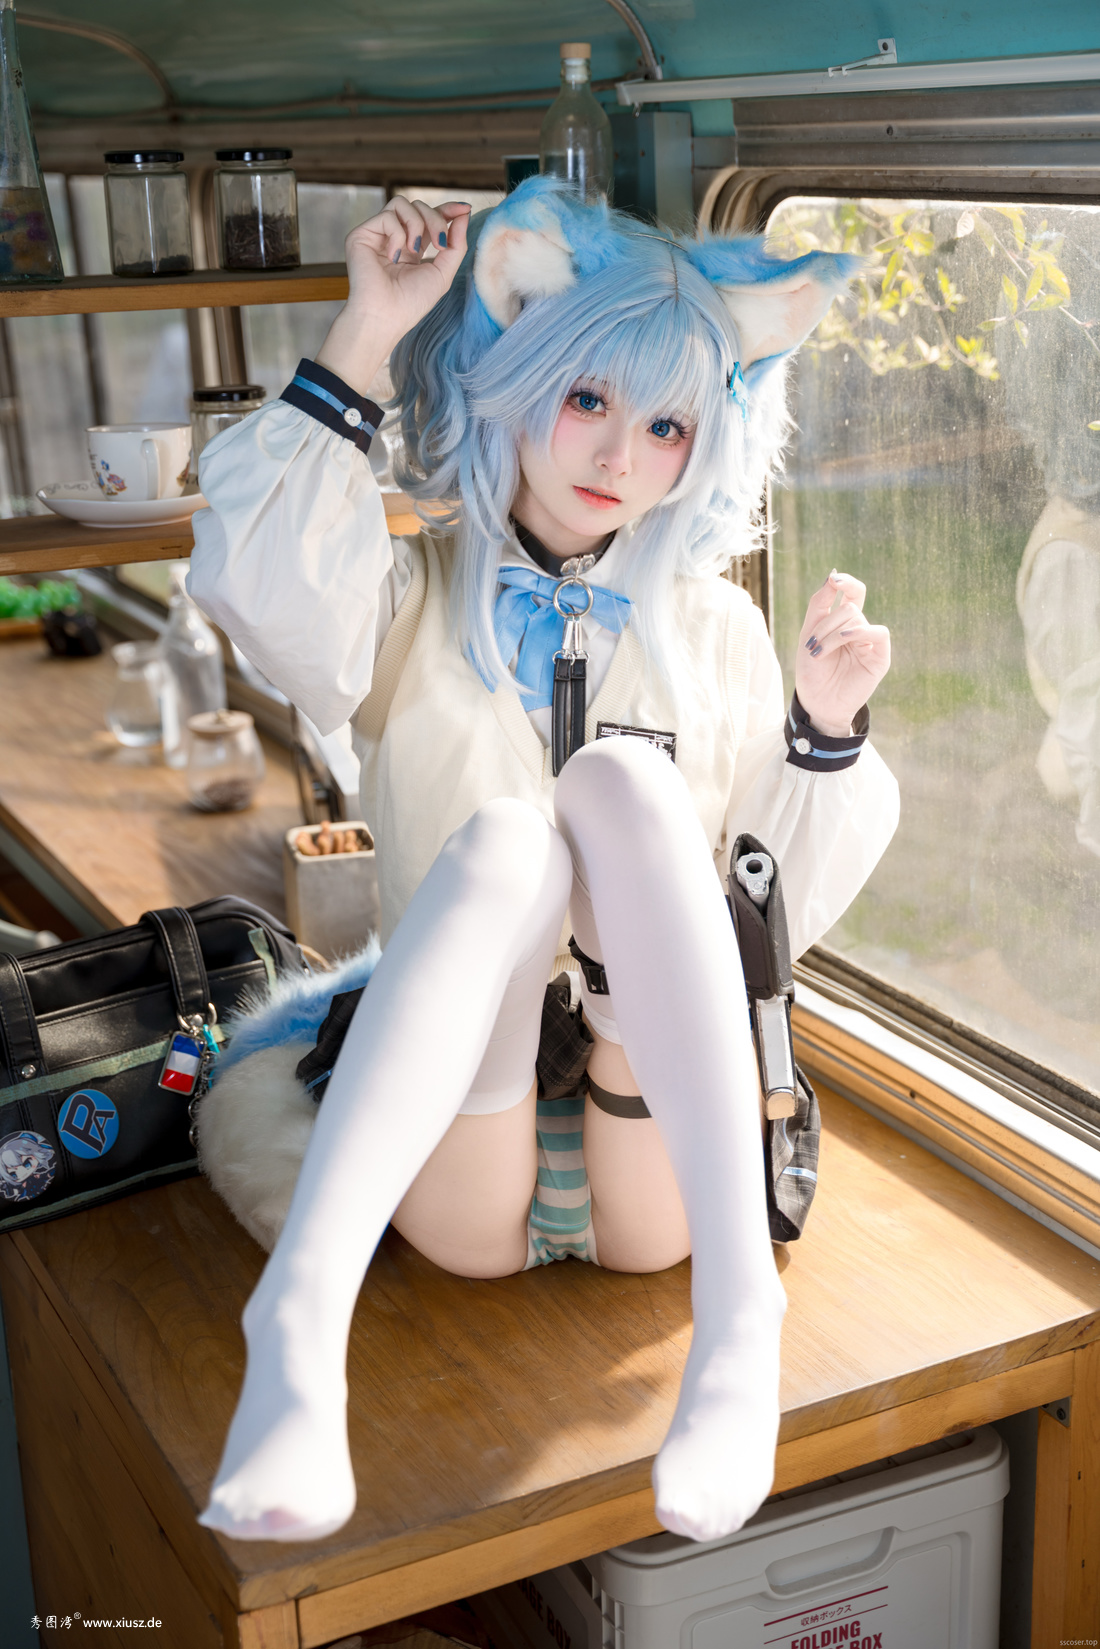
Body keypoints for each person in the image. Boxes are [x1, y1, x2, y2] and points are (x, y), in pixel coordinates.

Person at [188, 177, 898, 1547]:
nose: (621, 455)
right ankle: (302, 1319)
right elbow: (266, 598)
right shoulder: (407, 594)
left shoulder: (717, 631)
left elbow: (769, 913)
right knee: (513, 843)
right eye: (586, 398)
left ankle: (739, 1318)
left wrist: (821, 734)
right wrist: (369, 327)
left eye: (668, 425)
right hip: (464, 1116)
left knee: (622, 787)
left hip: (656, 1140)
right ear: (515, 382)